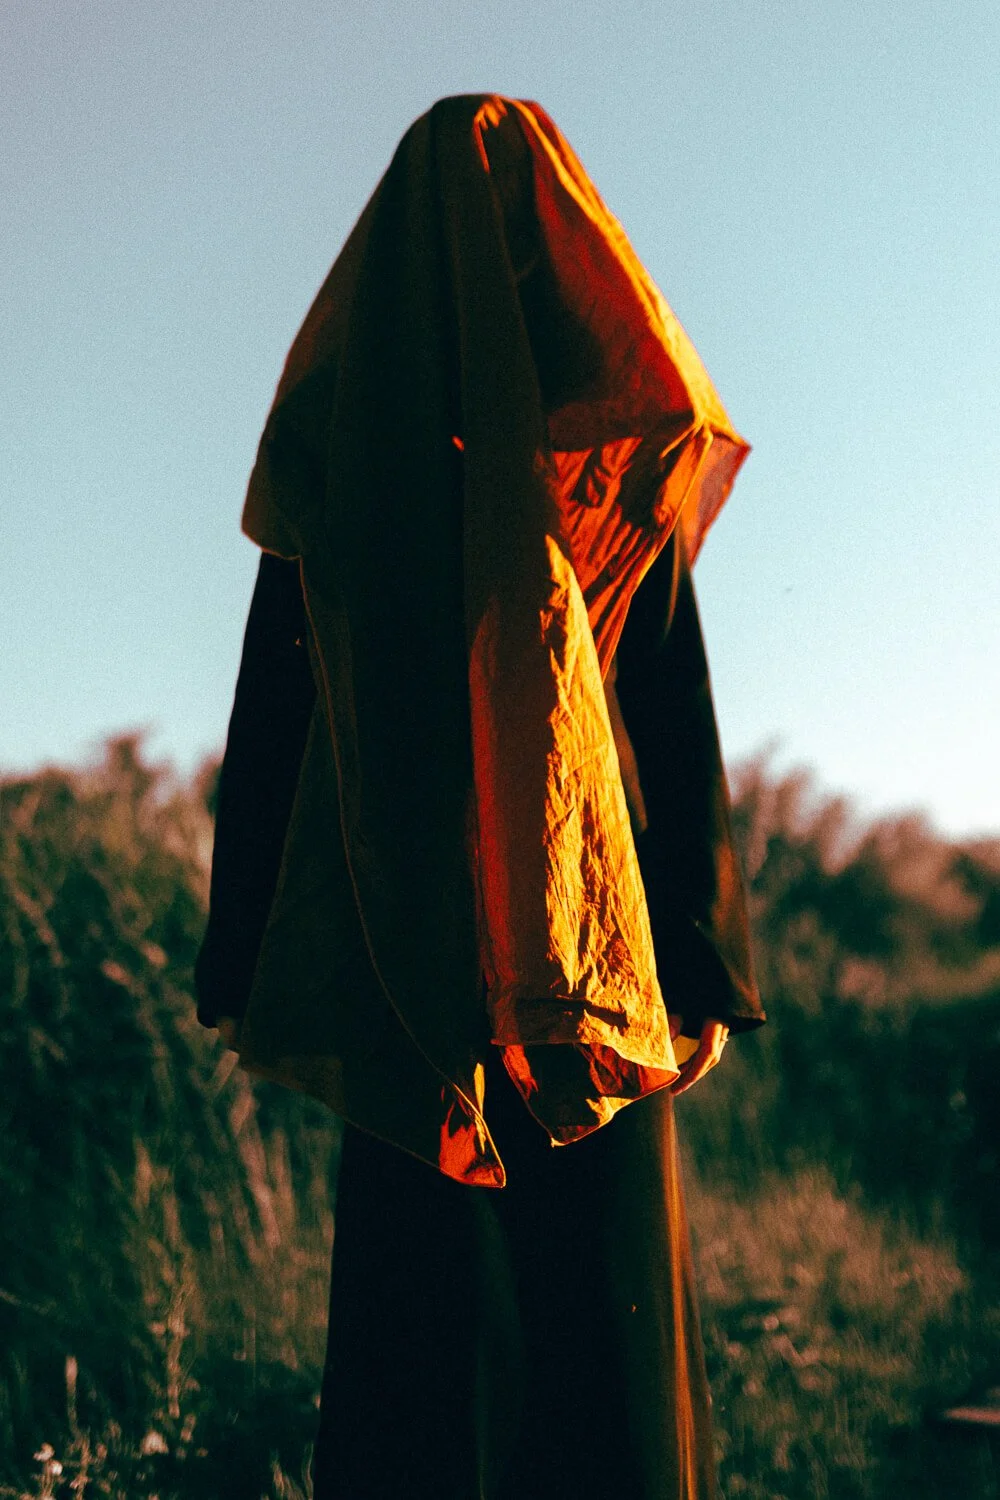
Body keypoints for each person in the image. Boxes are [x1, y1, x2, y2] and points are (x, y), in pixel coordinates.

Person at [196, 94, 765, 1499]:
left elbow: (664, 710)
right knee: (541, 1346)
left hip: (436, 963)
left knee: (454, 1342)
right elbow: (670, 728)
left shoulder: (536, 462)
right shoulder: (596, 462)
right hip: (563, 965)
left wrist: (243, 955)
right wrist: (698, 955)